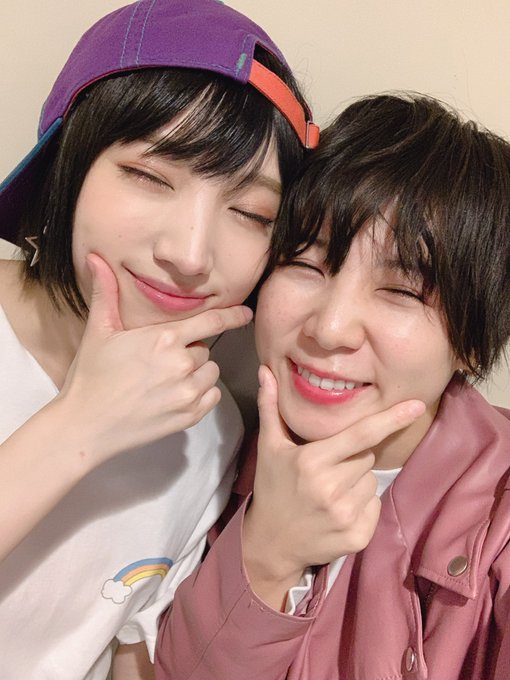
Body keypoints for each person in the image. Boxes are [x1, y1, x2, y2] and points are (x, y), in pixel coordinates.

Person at [0, 0, 320, 677]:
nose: (191, 254)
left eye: (250, 212)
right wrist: (79, 426)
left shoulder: (210, 433)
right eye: (150, 176)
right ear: (66, 167)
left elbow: (131, 653)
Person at [155, 93, 510, 679]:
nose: (329, 328)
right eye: (304, 264)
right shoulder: (212, 458)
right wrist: (267, 555)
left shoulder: (498, 520)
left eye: (401, 291)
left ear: (474, 342)